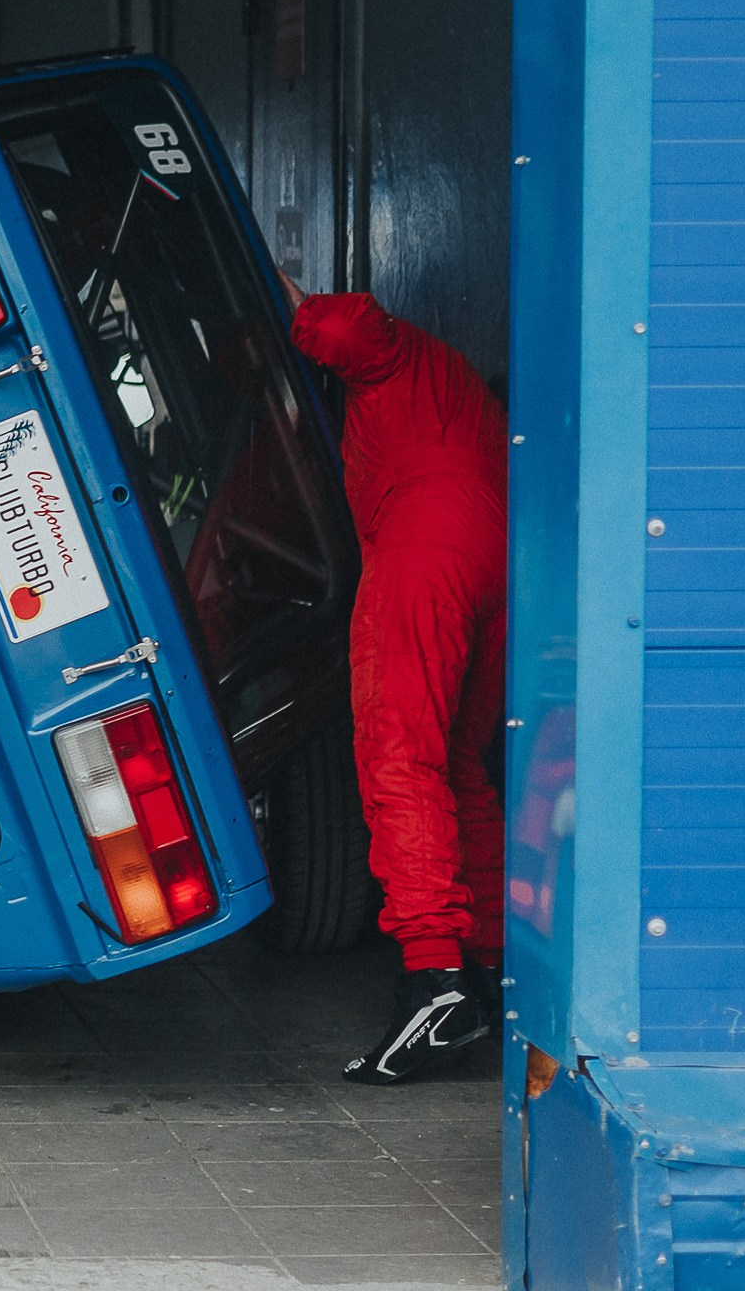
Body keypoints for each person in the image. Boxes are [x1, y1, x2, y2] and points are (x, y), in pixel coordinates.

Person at [287, 282, 508, 1086]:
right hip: (495, 556)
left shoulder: (400, 357)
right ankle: (483, 968)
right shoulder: (460, 397)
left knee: (397, 758)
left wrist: (296, 308)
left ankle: (433, 980)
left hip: (426, 549)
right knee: (458, 767)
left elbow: (343, 325)